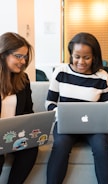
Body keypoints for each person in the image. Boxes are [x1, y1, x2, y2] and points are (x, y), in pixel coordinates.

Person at [45, 32, 108, 184]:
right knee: (60, 146)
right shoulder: (61, 72)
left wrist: (107, 112)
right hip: (66, 124)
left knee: (101, 147)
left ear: (94, 57)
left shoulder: (102, 76)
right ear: (71, 54)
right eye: (77, 56)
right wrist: (60, 114)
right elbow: (50, 102)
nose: (81, 62)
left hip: (94, 126)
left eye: (86, 57)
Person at [0, 32, 38, 184]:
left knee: (31, 150)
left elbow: (28, 111)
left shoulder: (23, 79)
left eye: (25, 57)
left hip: (14, 135)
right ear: (3, 55)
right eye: (18, 56)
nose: (23, 61)